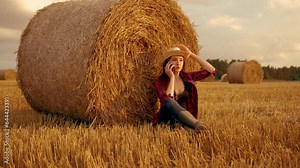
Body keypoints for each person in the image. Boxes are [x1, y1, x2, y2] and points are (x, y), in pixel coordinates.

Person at [152, 44, 216, 133]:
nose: (178, 63)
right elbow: (166, 100)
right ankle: (197, 125)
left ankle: (196, 130)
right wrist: (172, 78)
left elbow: (211, 70)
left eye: (181, 60)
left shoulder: (188, 77)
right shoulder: (160, 81)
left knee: (183, 128)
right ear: (167, 63)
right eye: (174, 60)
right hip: (166, 118)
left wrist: (191, 54)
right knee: (169, 102)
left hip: (186, 119)